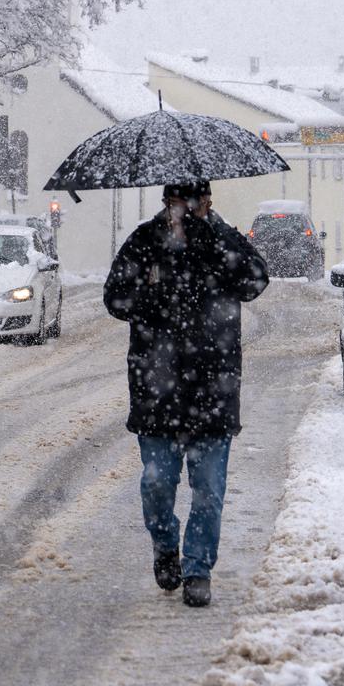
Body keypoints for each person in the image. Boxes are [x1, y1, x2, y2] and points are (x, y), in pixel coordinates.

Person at [103, 181, 268, 607]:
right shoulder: (145, 241)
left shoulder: (224, 239)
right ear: (168, 203)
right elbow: (115, 298)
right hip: (157, 389)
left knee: (209, 489)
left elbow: (255, 281)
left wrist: (216, 238)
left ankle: (198, 568)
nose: (190, 210)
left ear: (210, 202)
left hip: (214, 387)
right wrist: (154, 296)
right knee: (157, 485)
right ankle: (164, 547)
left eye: (200, 202)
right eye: (181, 203)